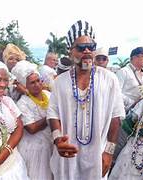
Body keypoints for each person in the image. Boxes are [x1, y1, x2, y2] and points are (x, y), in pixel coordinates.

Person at [47, 20, 125, 180]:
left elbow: (115, 118)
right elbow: (53, 114)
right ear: (70, 51)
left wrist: (109, 152)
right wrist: (57, 140)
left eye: (92, 47)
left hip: (98, 155)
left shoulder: (109, 79)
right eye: (82, 48)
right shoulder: (60, 82)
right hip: (67, 157)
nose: (88, 51)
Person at [13, 61, 53, 180]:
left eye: (38, 81)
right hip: (35, 149)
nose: (37, 85)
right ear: (25, 85)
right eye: (32, 83)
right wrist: (51, 116)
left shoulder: (48, 94)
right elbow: (32, 128)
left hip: (51, 143)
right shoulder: (22, 103)